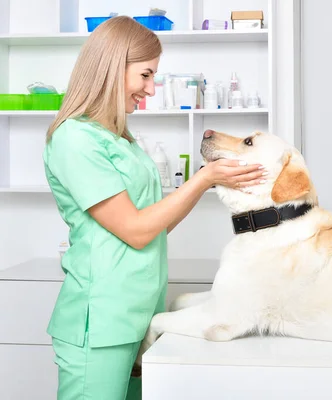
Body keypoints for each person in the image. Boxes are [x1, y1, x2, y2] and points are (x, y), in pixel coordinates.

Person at [43, 16, 265, 400]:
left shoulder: (120, 140)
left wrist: (207, 183)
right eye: (145, 75)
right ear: (113, 66)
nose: (148, 89)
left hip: (139, 314)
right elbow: (136, 230)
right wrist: (204, 178)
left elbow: (154, 224)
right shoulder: (75, 139)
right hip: (101, 321)